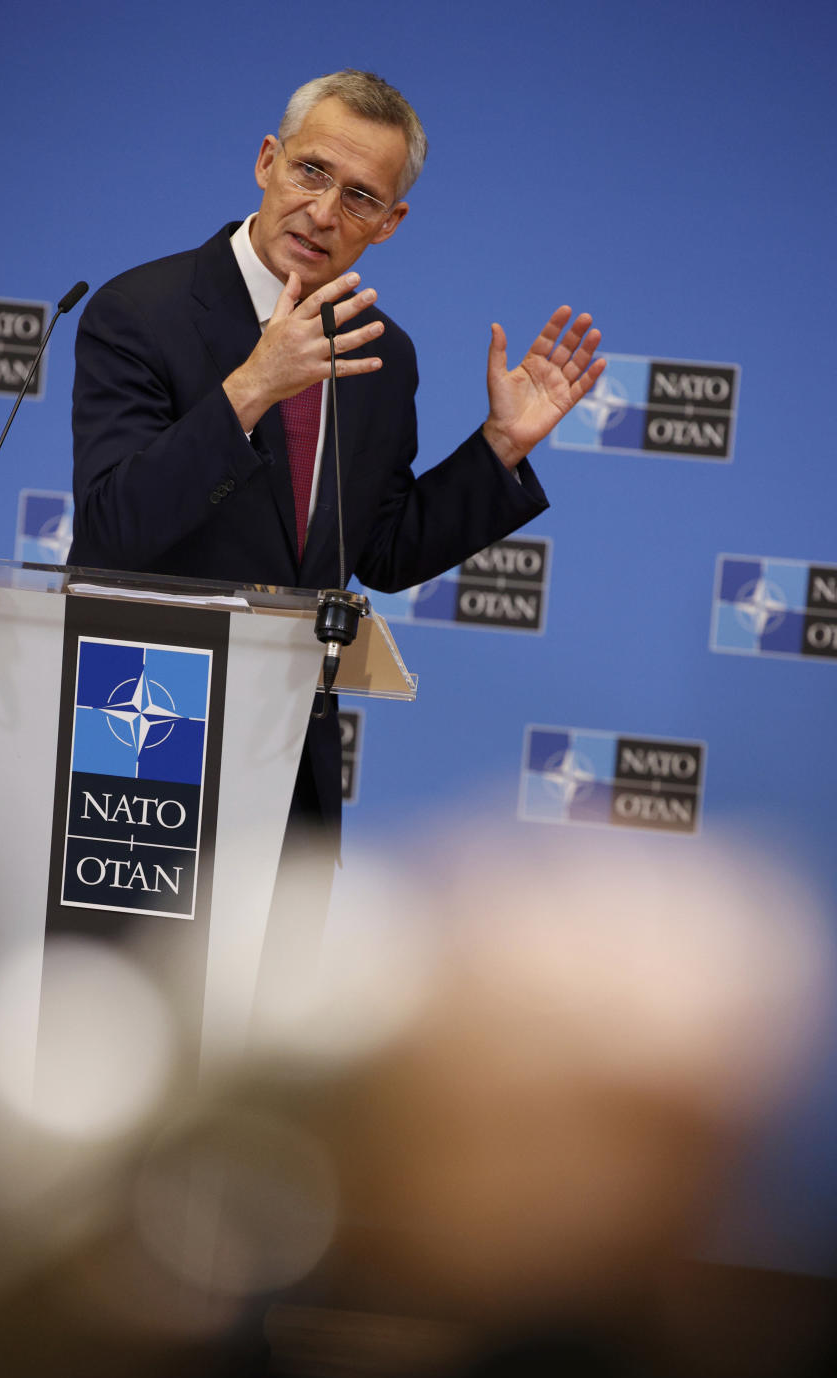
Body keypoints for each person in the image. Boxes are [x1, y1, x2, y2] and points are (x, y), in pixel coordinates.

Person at [68, 69, 605, 853]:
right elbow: (115, 527)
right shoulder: (139, 313)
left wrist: (501, 447)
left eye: (360, 196)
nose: (322, 212)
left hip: (293, 749)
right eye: (311, 171)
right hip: (145, 721)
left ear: (389, 221)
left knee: (283, 981)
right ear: (266, 162)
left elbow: (379, 552)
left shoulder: (381, 353)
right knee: (139, 979)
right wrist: (251, 387)